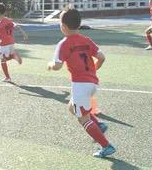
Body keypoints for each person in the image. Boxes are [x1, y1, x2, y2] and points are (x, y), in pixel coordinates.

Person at [47, 8, 116, 159]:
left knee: (82, 118)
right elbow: (102, 57)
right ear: (78, 25)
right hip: (92, 83)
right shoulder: (86, 40)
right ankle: (99, 126)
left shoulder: (63, 44)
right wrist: (92, 72)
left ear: (63, 27)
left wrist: (51, 65)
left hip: (80, 85)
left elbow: (57, 66)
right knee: (72, 107)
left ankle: (106, 146)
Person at [0, 3, 28, 83]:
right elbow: (17, 27)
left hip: (4, 44)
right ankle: (13, 57)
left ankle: (8, 77)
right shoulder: (8, 20)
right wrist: (24, 34)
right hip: (11, 42)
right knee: (5, 57)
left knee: (3, 60)